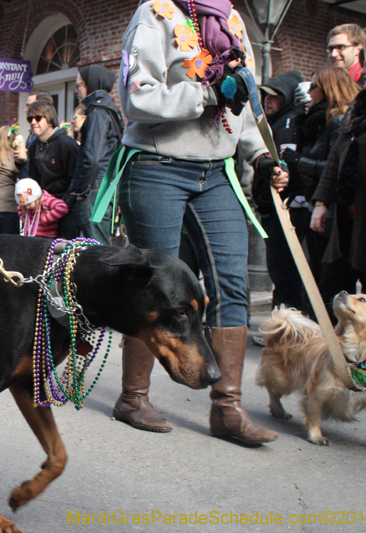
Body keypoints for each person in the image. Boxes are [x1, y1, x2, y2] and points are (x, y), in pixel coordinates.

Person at [114, 0, 287, 445]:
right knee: (156, 283)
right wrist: (208, 93)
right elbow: (136, 96)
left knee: (232, 281)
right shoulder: (155, 13)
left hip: (217, 170)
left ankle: (227, 408)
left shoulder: (231, 20)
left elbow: (241, 103)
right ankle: (133, 397)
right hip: (156, 165)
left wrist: (260, 154)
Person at [279, 66, 360, 318]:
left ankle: (329, 344)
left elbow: (336, 167)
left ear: (328, 89)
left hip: (334, 212)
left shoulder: (338, 120)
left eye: (313, 86)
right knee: (315, 281)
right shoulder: (317, 121)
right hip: (317, 207)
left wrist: (297, 160)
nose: (308, 92)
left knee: (329, 285)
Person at [311, 40, 366, 302]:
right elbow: (335, 158)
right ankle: (334, 344)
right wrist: (322, 201)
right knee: (331, 288)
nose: (363, 71)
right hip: (346, 224)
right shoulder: (359, 107)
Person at [251, 70, 307, 314]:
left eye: (275, 96)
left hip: (283, 210)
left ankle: (286, 326)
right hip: (274, 210)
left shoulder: (287, 124)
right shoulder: (274, 122)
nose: (267, 100)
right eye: (265, 95)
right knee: (280, 270)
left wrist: (268, 199)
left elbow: (284, 168)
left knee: (285, 271)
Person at [67, 64, 124, 244]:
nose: (76, 90)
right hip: (103, 187)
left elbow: (93, 156)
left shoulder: (98, 113)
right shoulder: (108, 110)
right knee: (101, 246)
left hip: (95, 190)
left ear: (91, 85)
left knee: (98, 249)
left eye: (79, 85)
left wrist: (82, 190)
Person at [26, 99, 80, 239]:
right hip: (44, 209)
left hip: (66, 210)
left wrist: (64, 204)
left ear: (50, 120)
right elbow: (34, 179)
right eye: (30, 118)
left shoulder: (66, 144)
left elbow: (76, 177)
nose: (33, 122)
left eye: (38, 118)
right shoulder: (33, 146)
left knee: (65, 253)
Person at [18, 90, 53, 179]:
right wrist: (19, 161)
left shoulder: (59, 141)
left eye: (29, 105)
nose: (26, 109)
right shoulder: (32, 135)